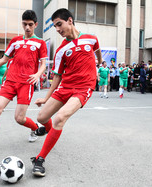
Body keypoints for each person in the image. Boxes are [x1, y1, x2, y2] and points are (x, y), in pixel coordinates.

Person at [30, 8, 102, 177]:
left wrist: (99, 62)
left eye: (59, 24)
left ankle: (40, 159)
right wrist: (46, 98)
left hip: (83, 88)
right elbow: (57, 76)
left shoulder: (91, 39)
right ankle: (49, 132)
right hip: (65, 87)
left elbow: (97, 50)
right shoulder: (62, 49)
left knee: (60, 118)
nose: (57, 29)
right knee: (41, 118)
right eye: (55, 26)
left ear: (70, 20)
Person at [0, 10, 48, 158]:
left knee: (19, 119)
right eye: (25, 24)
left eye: (30, 25)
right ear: (22, 24)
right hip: (10, 81)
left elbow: (43, 63)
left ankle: (35, 128)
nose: (27, 28)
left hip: (26, 82)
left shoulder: (40, 43)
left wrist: (38, 74)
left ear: (36, 25)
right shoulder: (15, 41)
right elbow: (3, 60)